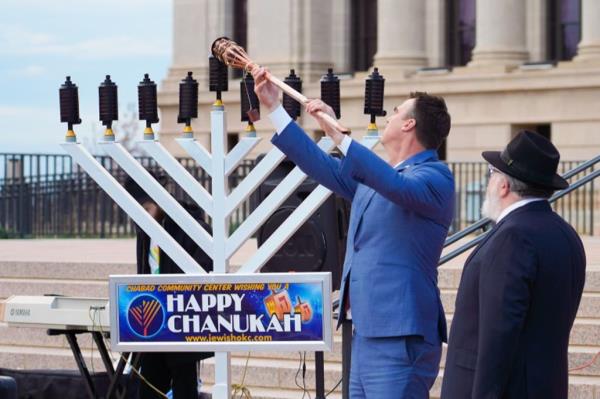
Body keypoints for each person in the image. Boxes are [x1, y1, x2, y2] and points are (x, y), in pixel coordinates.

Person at [252, 67, 455, 398]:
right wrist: (275, 110)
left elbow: (396, 186)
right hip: (364, 333)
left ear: (409, 124)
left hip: (399, 336)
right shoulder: (381, 178)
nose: (388, 118)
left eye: (395, 113)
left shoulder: (435, 177)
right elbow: (322, 166)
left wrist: (339, 136)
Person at [441, 131, 586, 399]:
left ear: (504, 186)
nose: (488, 182)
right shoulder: (566, 234)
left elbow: (498, 335)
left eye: (491, 173)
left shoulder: (513, 237)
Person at [124, 173, 213, 399]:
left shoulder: (191, 226)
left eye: (146, 209)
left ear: (159, 201)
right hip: (154, 320)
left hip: (182, 318)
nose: (141, 217)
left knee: (184, 386)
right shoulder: (145, 229)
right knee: (150, 386)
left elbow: (206, 268)